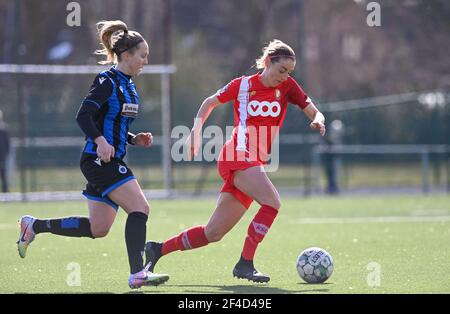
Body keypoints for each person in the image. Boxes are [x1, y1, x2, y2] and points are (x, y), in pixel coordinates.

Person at [144, 39, 326, 283]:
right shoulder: (242, 85)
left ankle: (157, 249)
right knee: (272, 203)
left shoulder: (288, 87)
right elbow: (209, 102)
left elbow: (314, 110)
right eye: (281, 70)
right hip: (237, 155)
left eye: (289, 72)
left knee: (213, 233)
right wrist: (195, 132)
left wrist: (319, 120)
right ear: (268, 62)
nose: (285, 77)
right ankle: (245, 264)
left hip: (253, 162)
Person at [16, 20, 169, 289]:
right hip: (98, 161)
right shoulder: (107, 81)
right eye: (142, 55)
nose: (146, 60)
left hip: (108, 159)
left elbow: (112, 124)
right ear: (126, 55)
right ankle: (137, 273)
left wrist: (135, 139)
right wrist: (99, 141)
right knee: (140, 208)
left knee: (99, 229)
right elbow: (84, 116)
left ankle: (33, 226)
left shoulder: (130, 85)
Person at [0, 110, 10, 193]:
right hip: (3, 155)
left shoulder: (4, 128)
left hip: (2, 156)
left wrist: (6, 153)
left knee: (3, 174)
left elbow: (7, 143)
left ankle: (5, 192)